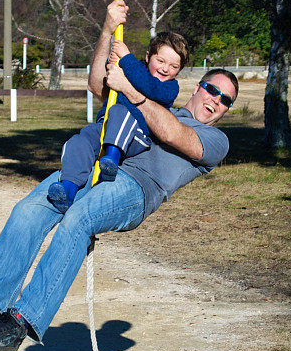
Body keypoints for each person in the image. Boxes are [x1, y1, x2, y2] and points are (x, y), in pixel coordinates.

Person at [0, 0, 238, 351]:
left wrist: (132, 89)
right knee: (30, 209)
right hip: (95, 166)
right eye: (212, 90)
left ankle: (20, 322)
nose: (216, 101)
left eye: (226, 100)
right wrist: (107, 30)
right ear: (198, 87)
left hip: (134, 188)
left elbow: (172, 134)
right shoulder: (162, 97)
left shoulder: (216, 140)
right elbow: (97, 85)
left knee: (78, 219)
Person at [47, 22, 190, 213]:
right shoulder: (131, 67)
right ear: (148, 57)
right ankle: (68, 188)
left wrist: (126, 58)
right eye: (161, 61)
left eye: (174, 66)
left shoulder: (170, 87)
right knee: (79, 141)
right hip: (106, 127)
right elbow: (108, 77)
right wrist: (113, 61)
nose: (165, 69)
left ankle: (111, 160)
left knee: (120, 111)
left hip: (136, 135)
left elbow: (148, 85)